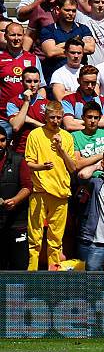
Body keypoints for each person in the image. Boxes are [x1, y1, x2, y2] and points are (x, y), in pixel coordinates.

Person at [25, 100, 76, 270]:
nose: (55, 121)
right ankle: (31, 274)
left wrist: (61, 149)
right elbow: (30, 163)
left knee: (56, 240)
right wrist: (42, 167)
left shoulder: (67, 137)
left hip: (61, 193)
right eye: (52, 117)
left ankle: (53, 276)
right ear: (45, 116)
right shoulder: (35, 135)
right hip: (39, 191)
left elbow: (73, 167)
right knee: (35, 238)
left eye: (59, 118)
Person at [0, 22, 46, 140]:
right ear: (5, 36)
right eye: (12, 35)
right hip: (3, 117)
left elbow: (41, 87)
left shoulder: (33, 58)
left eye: (19, 35)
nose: (16, 39)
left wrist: (39, 112)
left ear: (24, 36)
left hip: (29, 116)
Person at [39, 0, 95, 83]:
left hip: (80, 80)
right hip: (55, 78)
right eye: (67, 10)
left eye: (73, 11)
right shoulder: (48, 30)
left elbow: (90, 48)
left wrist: (61, 46)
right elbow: (50, 52)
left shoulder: (83, 29)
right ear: (58, 10)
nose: (71, 13)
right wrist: (77, 45)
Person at [0, 126, 32, 270]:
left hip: (16, 222)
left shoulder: (19, 160)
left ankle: (15, 294)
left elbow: (27, 187)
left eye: (2, 140)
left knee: (18, 266)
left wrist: (15, 200)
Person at [6, 67, 48, 156]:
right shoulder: (13, 102)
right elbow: (16, 126)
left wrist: (30, 120)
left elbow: (52, 129)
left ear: (40, 82)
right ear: (22, 82)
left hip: (41, 150)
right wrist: (26, 102)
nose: (32, 85)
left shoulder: (47, 103)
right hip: (20, 151)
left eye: (36, 81)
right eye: (29, 81)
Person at [72, 101, 104, 178]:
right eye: (89, 117)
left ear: (100, 118)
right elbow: (77, 164)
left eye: (96, 117)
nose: (93, 121)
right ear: (83, 118)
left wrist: (86, 161)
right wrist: (102, 155)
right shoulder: (74, 136)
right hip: (85, 179)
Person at [61, 65, 104, 131]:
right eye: (86, 82)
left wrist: (80, 121)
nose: (90, 86)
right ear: (79, 81)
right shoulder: (68, 100)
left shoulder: (103, 101)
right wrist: (95, 124)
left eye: (93, 83)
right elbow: (69, 125)